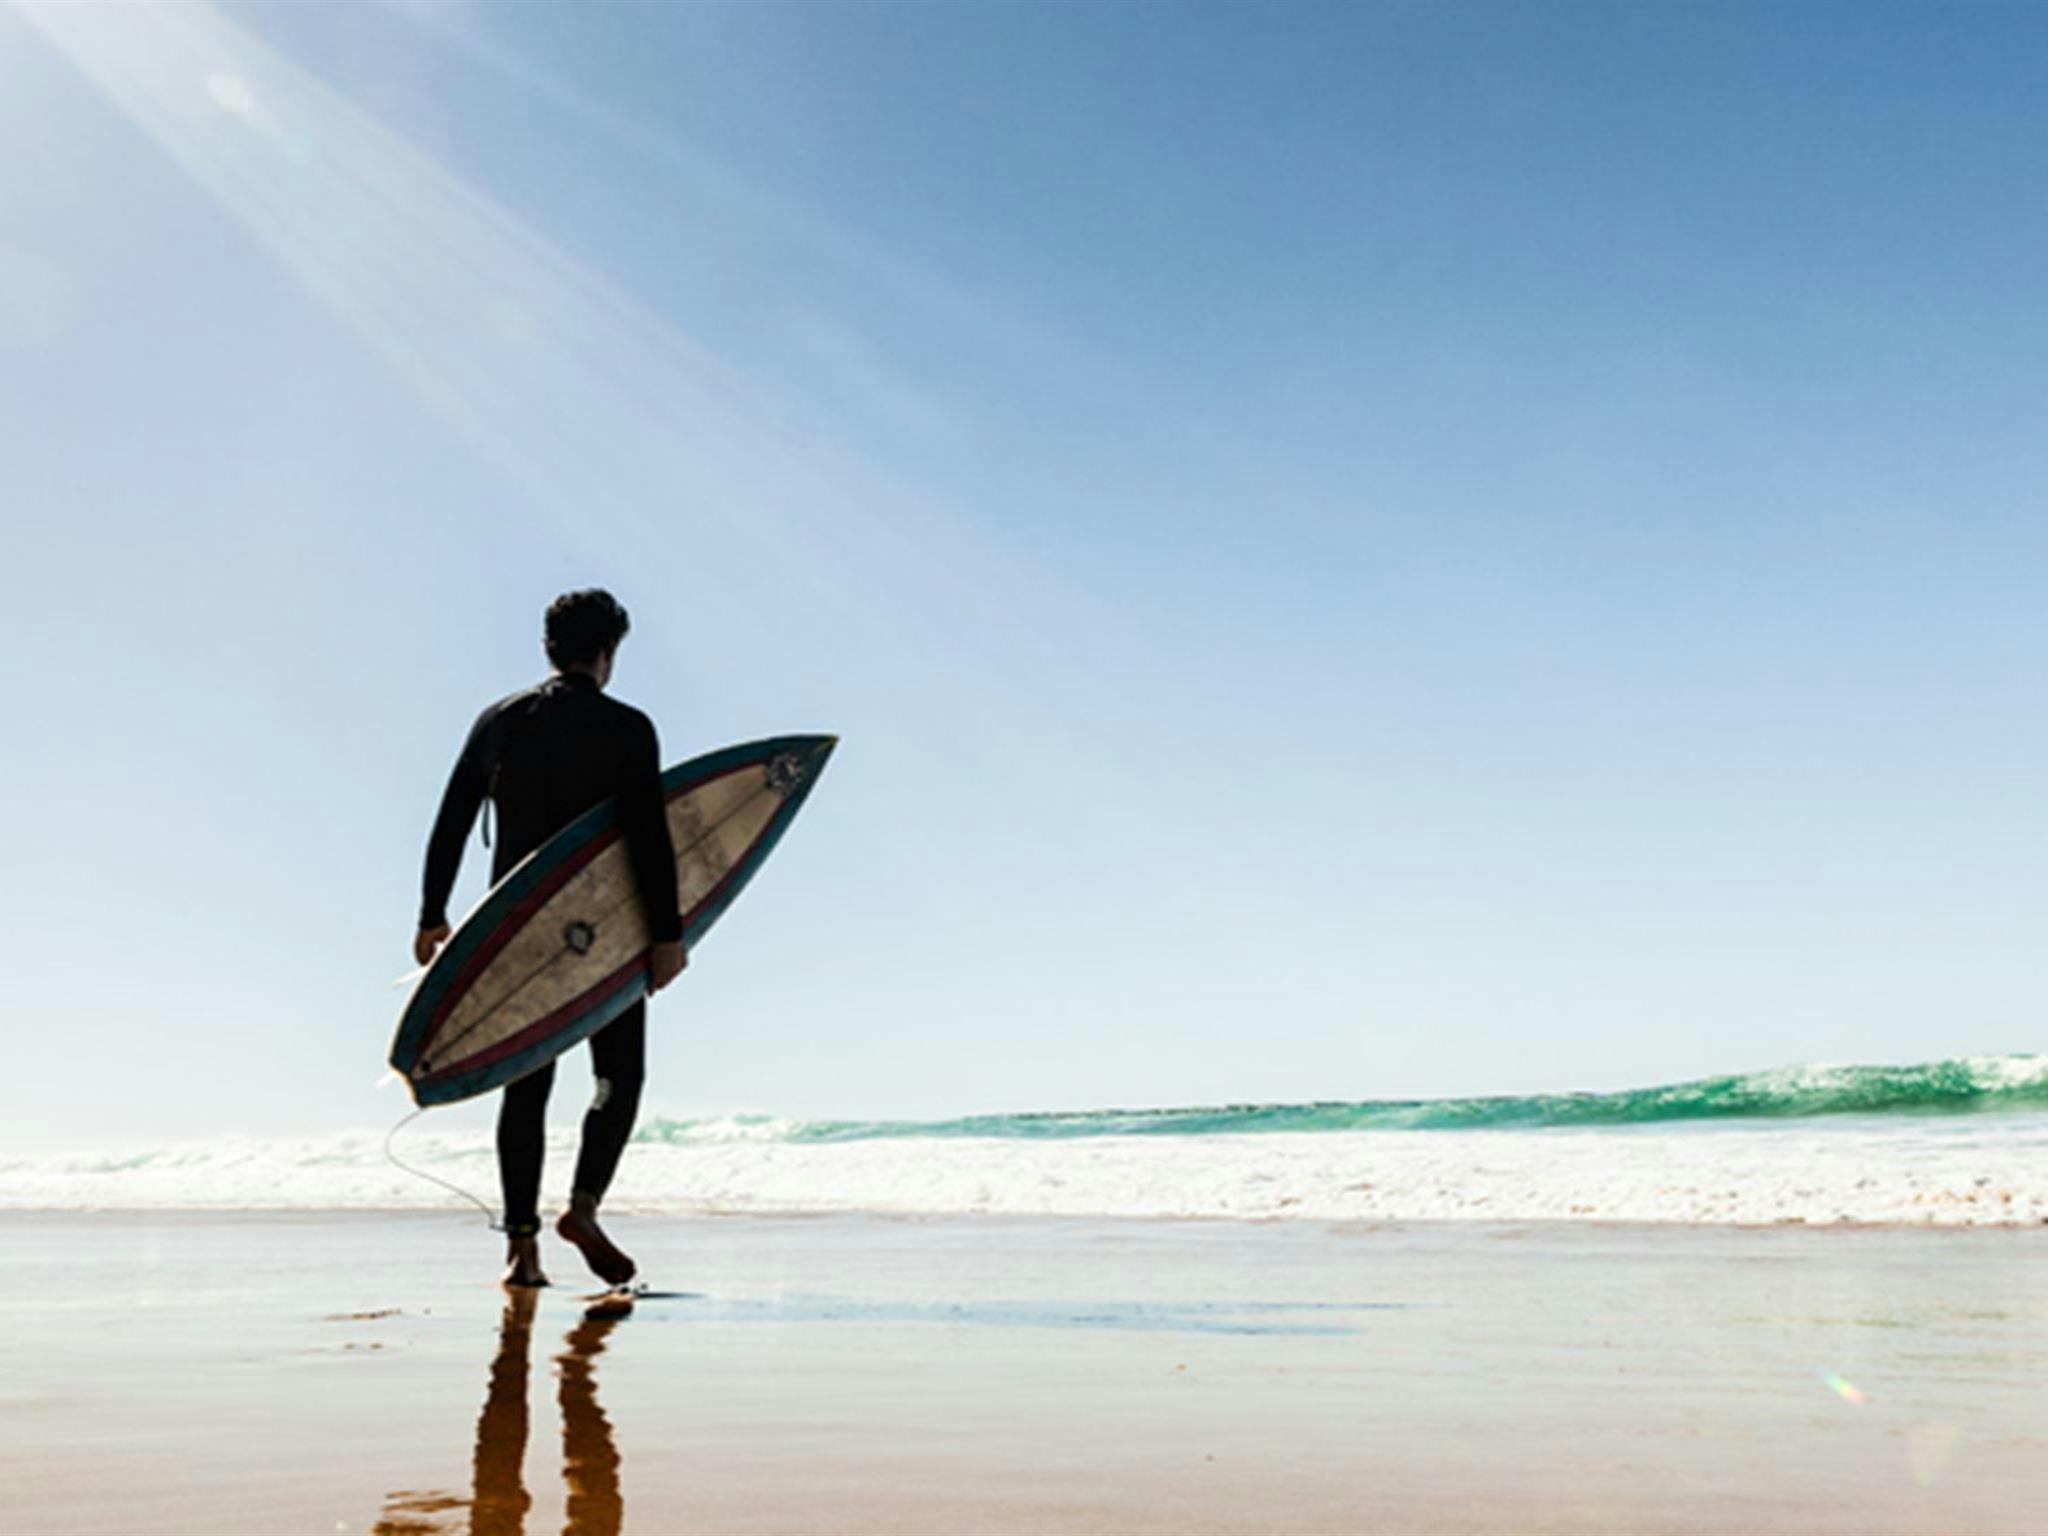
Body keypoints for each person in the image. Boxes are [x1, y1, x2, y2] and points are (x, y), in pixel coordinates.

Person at [414, 589, 686, 1289]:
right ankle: (584, 1206)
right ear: (608, 652)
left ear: (548, 647)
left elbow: (451, 818)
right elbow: (650, 839)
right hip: (609, 932)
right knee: (618, 1078)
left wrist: (432, 914)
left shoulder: (501, 721)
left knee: (526, 1089)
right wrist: (666, 935)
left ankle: (522, 1248)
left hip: (517, 931)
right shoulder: (629, 727)